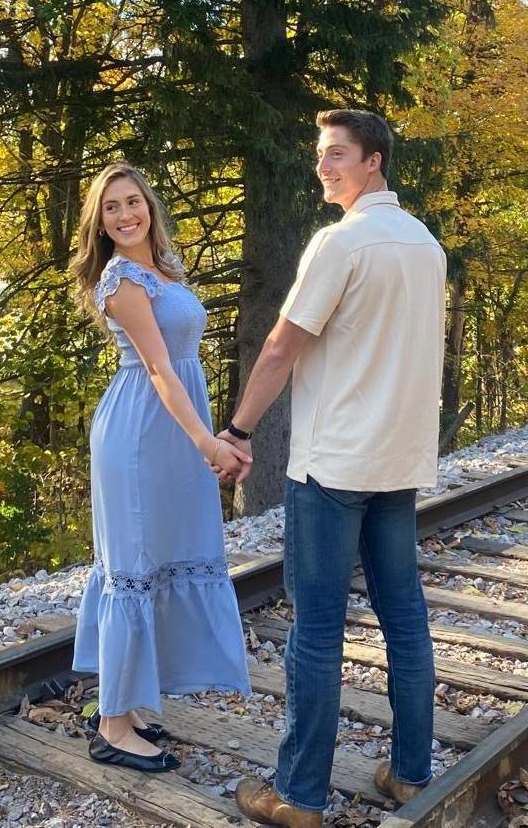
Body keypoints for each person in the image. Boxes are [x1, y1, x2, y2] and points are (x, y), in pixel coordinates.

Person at [223, 109, 447, 827]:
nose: (323, 166)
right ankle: (411, 774)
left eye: (338, 154)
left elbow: (281, 347)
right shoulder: (425, 245)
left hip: (334, 466)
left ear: (373, 160)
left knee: (316, 632)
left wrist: (238, 429)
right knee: (404, 616)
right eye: (322, 154)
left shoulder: (340, 243)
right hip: (397, 461)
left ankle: (299, 797)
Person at [69, 162, 252, 773]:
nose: (125, 215)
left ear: (149, 205)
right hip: (142, 432)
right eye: (111, 208)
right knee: (133, 564)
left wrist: (201, 438)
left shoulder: (163, 269)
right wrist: (207, 443)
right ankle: (112, 727)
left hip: (172, 428)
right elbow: (156, 368)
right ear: (100, 224)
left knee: (161, 558)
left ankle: (128, 705)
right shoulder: (121, 278)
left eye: (133, 202)